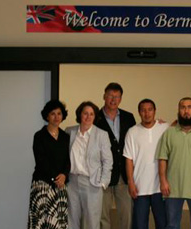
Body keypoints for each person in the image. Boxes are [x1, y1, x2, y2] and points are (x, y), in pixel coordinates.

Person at [156, 97, 191, 229]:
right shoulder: (169, 133)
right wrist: (163, 181)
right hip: (172, 188)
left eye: (189, 107)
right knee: (172, 225)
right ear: (179, 110)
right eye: (183, 107)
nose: (186, 111)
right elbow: (162, 158)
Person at [65, 101, 113, 229]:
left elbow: (108, 161)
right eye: (85, 113)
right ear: (80, 114)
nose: (88, 117)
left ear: (95, 116)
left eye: (91, 114)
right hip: (72, 182)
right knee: (72, 220)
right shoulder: (69, 132)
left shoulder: (101, 134)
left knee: (92, 222)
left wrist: (103, 182)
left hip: (92, 183)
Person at [123, 99, 169, 229]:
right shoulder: (132, 132)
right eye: (143, 110)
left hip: (160, 188)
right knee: (139, 225)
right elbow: (129, 159)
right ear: (139, 112)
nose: (147, 113)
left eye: (150, 110)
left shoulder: (164, 128)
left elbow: (180, 128)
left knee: (163, 224)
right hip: (139, 188)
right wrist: (131, 182)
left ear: (155, 111)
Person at [96, 82, 136, 229]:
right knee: (102, 215)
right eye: (110, 96)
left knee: (127, 214)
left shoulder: (128, 117)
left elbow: (136, 140)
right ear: (104, 96)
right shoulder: (95, 118)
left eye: (117, 97)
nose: (113, 100)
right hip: (102, 175)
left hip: (124, 174)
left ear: (121, 99)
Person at [28, 100, 70, 229]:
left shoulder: (65, 136)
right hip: (42, 185)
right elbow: (41, 161)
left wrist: (64, 175)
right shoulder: (39, 136)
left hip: (60, 186)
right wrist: (54, 178)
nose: (56, 117)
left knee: (58, 223)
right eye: (53, 114)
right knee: (40, 222)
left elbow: (68, 160)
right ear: (47, 116)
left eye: (59, 113)